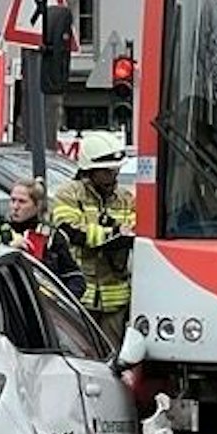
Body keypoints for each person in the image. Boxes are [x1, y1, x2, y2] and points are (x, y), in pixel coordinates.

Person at [51, 130, 136, 344]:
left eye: (115, 170)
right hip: (80, 298)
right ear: (90, 170)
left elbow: (136, 229)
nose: (113, 176)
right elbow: (70, 230)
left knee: (113, 353)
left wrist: (114, 233)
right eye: (106, 171)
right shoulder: (68, 194)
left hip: (116, 302)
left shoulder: (126, 199)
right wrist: (113, 233)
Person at [1, 179, 84, 298]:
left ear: (37, 205)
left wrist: (59, 301)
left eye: (22, 202)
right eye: (13, 200)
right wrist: (7, 250)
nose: (15, 207)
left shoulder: (51, 237)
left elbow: (75, 277)